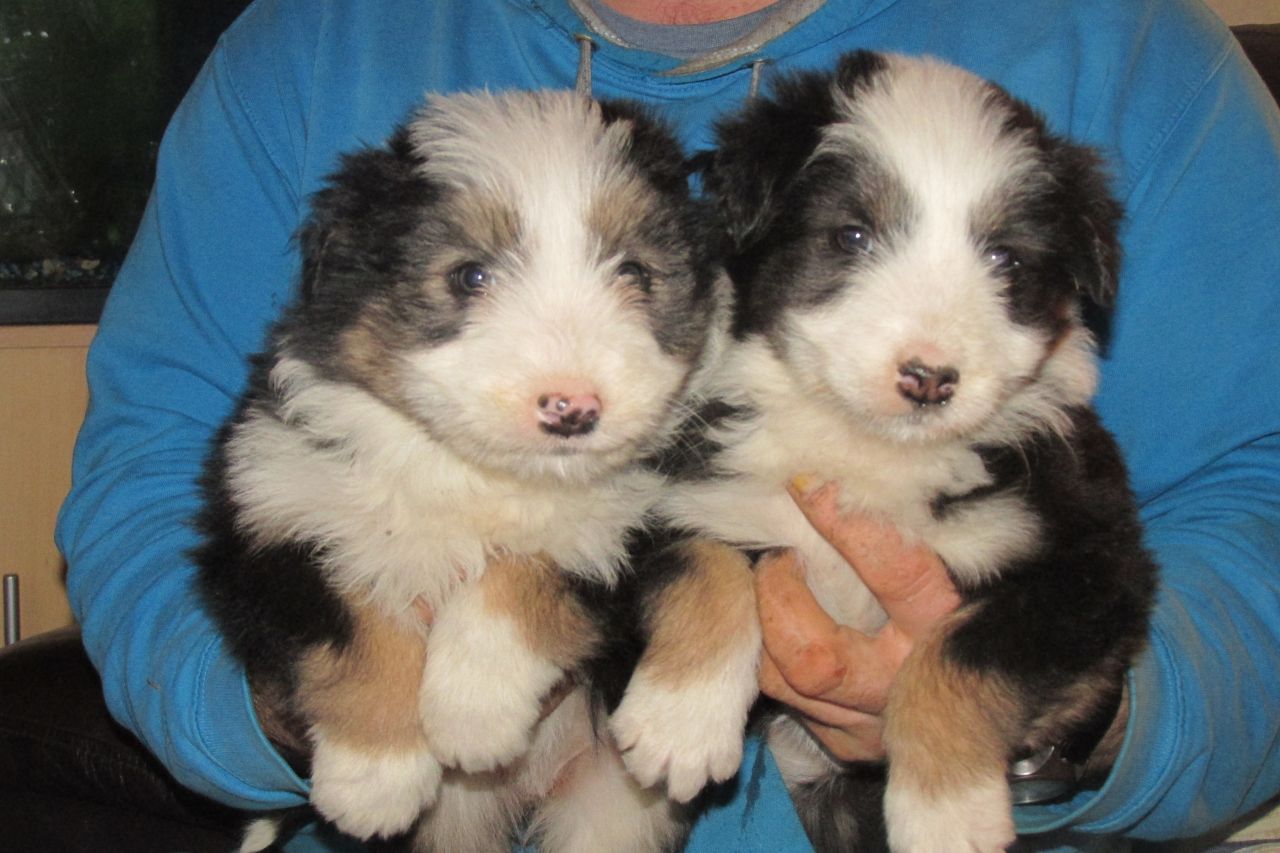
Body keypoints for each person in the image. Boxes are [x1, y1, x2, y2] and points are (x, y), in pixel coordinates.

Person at [50, 0, 1280, 850]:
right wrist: (327, 699)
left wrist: (1062, 723)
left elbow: (1253, 485)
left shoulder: (1128, 49)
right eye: (850, 238)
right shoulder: (305, 45)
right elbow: (155, 466)